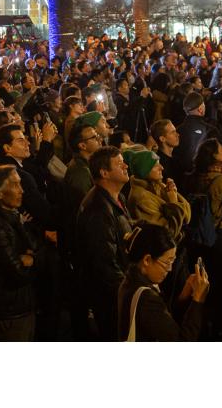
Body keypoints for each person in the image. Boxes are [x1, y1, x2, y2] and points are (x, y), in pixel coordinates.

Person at [0, 165, 40, 341]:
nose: (21, 190)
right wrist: (29, 259)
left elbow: (33, 249)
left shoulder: (13, 218)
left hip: (19, 307)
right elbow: (18, 273)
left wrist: (30, 257)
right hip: (7, 312)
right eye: (14, 185)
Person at [76, 145, 132, 341]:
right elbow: (104, 262)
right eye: (119, 163)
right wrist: (127, 292)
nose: (125, 165)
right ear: (104, 172)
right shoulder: (98, 210)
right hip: (109, 297)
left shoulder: (118, 198)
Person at [117, 224, 208, 341]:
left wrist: (183, 296)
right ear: (147, 260)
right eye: (167, 262)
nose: (170, 269)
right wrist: (198, 300)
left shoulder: (131, 278)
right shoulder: (146, 298)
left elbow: (164, 322)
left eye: (173, 261)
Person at [190, 138, 222, 340]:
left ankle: (203, 328)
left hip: (202, 237)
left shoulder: (195, 177)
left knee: (207, 282)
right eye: (221, 149)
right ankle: (221, 332)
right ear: (214, 155)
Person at [125, 148, 191, 239]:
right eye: (156, 165)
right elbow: (167, 235)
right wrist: (173, 202)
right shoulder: (141, 198)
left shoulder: (159, 186)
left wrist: (174, 193)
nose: (162, 167)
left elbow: (187, 216)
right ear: (144, 170)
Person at [175, 91, 221, 173]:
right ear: (200, 109)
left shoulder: (176, 131)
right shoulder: (211, 130)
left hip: (181, 177)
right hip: (204, 177)